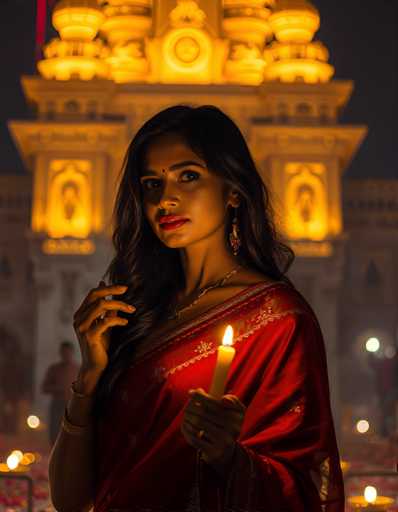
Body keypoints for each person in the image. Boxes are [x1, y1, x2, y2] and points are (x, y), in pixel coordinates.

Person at [48, 105, 345, 511]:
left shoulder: (277, 321)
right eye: (152, 183)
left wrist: (228, 457)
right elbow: (69, 500)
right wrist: (89, 376)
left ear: (234, 191)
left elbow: (304, 487)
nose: (165, 198)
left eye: (189, 176)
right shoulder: (133, 312)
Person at [41, 341, 79, 446]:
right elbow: (44, 388)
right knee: (55, 431)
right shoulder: (54, 369)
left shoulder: (78, 369)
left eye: (68, 352)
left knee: (71, 432)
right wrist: (58, 388)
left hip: (73, 405)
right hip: (57, 404)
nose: (66, 354)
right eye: (64, 352)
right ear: (60, 353)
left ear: (72, 352)